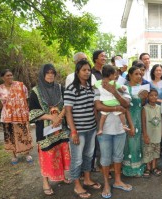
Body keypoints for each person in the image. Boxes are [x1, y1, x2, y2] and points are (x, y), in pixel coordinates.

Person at [29, 64, 70, 196]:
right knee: (47, 154)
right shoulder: (35, 91)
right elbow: (33, 112)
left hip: (60, 127)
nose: (50, 75)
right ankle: (45, 182)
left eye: (52, 73)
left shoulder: (59, 88)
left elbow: (67, 104)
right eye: (47, 73)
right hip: (45, 130)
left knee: (61, 151)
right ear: (42, 74)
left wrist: (59, 117)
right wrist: (52, 117)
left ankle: (62, 175)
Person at [94, 67, 134, 198]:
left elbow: (126, 104)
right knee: (105, 158)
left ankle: (117, 180)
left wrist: (114, 92)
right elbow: (98, 106)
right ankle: (106, 183)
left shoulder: (122, 87)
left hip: (120, 129)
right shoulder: (98, 86)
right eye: (114, 74)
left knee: (118, 156)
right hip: (104, 130)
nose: (116, 76)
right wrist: (116, 107)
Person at [64, 60, 101, 199]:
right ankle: (77, 185)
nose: (87, 72)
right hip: (78, 131)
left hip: (91, 128)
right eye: (84, 70)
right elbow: (68, 111)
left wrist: (97, 125)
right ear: (77, 71)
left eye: (89, 70)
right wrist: (73, 131)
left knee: (88, 156)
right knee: (77, 159)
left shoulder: (91, 88)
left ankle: (87, 179)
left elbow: (93, 108)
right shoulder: (71, 89)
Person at [0, 69, 33, 165]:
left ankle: (27, 153)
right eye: (7, 75)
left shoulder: (20, 86)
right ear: (3, 77)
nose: (10, 77)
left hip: (21, 115)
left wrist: (26, 112)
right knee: (10, 136)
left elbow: (25, 99)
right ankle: (14, 156)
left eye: (11, 75)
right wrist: (1, 106)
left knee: (23, 134)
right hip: (7, 116)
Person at [122, 66, 147, 177]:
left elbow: (140, 105)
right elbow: (125, 106)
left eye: (140, 74)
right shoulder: (125, 88)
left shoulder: (141, 88)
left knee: (137, 144)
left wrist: (144, 98)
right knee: (129, 143)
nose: (139, 76)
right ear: (130, 75)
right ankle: (129, 168)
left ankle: (138, 167)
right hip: (128, 119)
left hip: (138, 119)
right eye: (136, 74)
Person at [94, 64, 132, 135]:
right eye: (114, 75)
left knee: (103, 116)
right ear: (111, 75)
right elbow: (122, 91)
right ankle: (124, 125)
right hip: (114, 102)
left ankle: (100, 129)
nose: (115, 76)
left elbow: (93, 87)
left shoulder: (99, 83)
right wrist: (122, 89)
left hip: (104, 103)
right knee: (121, 114)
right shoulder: (114, 83)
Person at [142, 89, 162, 177]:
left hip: (157, 133)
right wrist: (145, 135)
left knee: (156, 151)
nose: (154, 97)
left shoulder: (159, 107)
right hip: (149, 134)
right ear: (147, 97)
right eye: (151, 95)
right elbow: (143, 123)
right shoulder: (145, 108)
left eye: (155, 95)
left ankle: (154, 167)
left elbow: (161, 120)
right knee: (148, 151)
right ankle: (148, 168)